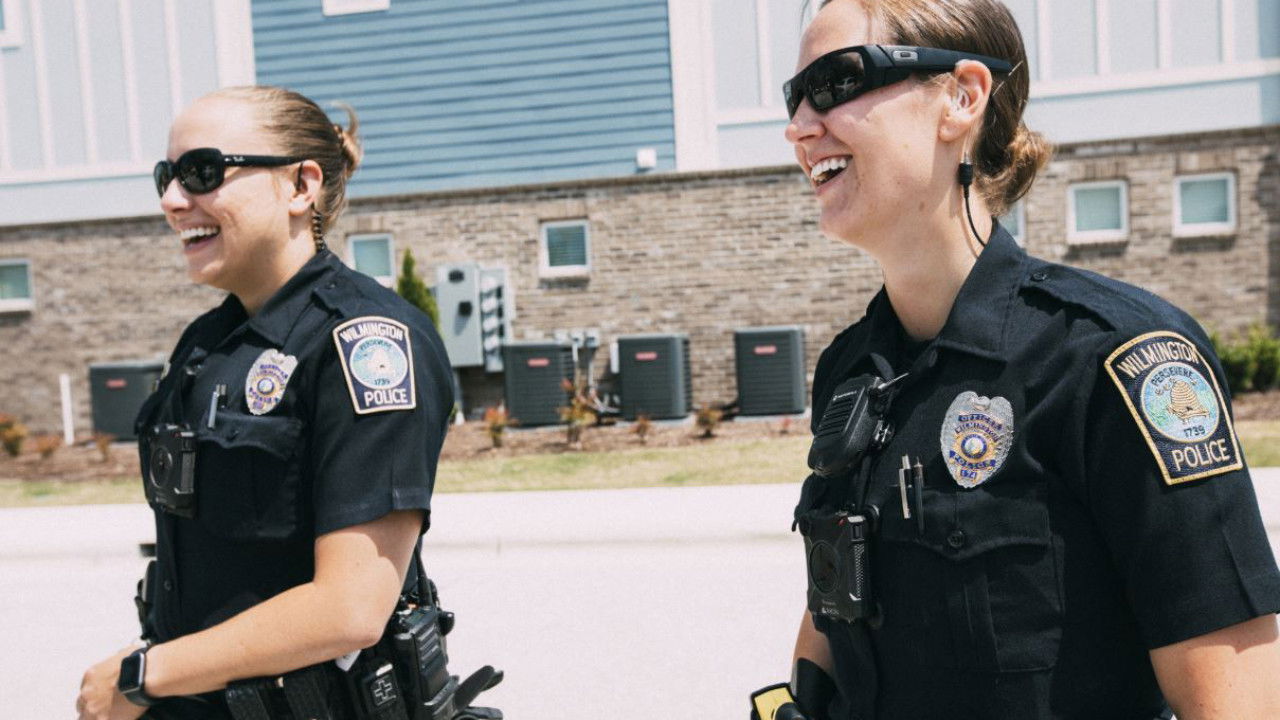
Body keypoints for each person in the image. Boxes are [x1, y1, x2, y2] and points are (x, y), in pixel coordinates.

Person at [779, 1, 1280, 718]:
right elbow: (833, 615)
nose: (799, 125)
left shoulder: (1116, 360)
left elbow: (1240, 703)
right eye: (792, 98)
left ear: (962, 96)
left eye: (834, 84)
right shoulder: (852, 372)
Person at [74, 86, 487, 719]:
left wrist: (142, 677)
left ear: (301, 186)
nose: (172, 199)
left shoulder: (366, 343)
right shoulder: (208, 344)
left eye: (202, 172)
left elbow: (348, 609)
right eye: (167, 175)